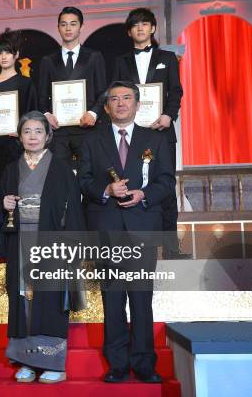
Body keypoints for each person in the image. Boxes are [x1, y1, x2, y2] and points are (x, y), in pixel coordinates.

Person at [78, 81, 175, 384]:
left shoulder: (155, 139)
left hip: (142, 227)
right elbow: (83, 181)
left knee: (142, 298)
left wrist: (143, 194)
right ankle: (117, 363)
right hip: (106, 227)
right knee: (113, 297)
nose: (120, 103)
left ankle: (145, 363)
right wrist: (105, 189)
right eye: (114, 99)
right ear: (105, 107)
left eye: (127, 98)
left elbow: (166, 181)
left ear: (137, 104)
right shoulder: (92, 140)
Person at [0, 111, 86, 384]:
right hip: (21, 239)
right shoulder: (11, 169)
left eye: (38, 131)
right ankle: (27, 362)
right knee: (22, 300)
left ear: (48, 135)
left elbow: (74, 210)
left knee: (50, 301)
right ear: (20, 136)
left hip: (52, 243)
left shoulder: (62, 169)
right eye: (27, 131)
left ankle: (54, 363)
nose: (32, 137)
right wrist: (4, 205)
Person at [112, 7, 185, 259]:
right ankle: (138, 248)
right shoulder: (120, 61)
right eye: (135, 25)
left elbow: (176, 91)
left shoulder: (167, 57)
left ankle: (172, 249)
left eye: (145, 24)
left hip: (161, 131)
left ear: (153, 28)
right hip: (131, 133)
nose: (140, 28)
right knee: (132, 183)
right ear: (129, 31)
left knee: (165, 186)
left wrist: (169, 115)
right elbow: (115, 95)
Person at [38, 6, 107, 166]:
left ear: (81, 27)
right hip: (58, 131)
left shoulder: (94, 57)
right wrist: (47, 114)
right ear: (58, 28)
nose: (68, 28)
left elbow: (103, 92)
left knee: (90, 176)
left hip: (87, 128)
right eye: (63, 24)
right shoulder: (48, 61)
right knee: (61, 178)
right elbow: (42, 96)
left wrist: (93, 114)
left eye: (73, 24)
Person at [0, 28, 38, 192]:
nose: (3, 56)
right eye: (0, 53)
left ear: (16, 54)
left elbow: (33, 116)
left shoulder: (25, 83)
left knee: (20, 190)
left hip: (18, 145)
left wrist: (21, 131)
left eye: (8, 52)